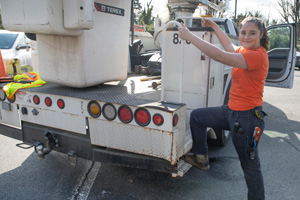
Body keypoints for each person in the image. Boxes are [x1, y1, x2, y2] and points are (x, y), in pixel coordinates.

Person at [178, 17, 269, 200]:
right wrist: (214, 26)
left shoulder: (257, 55)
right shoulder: (244, 51)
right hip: (231, 112)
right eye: (243, 32)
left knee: (250, 167)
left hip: (247, 119)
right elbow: (228, 45)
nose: (246, 36)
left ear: (261, 35)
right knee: (197, 117)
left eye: (252, 33)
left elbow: (220, 55)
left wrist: (189, 36)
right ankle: (201, 157)